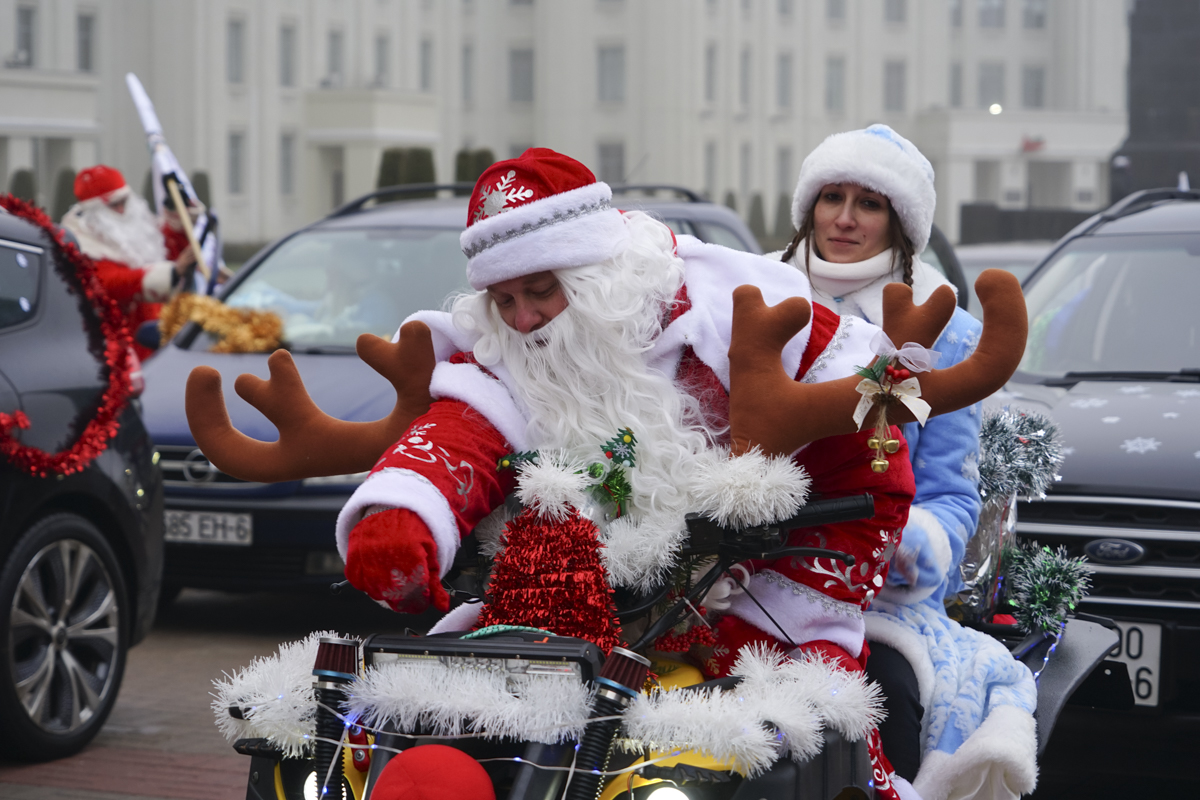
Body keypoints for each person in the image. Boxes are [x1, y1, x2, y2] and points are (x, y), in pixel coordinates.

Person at [776, 125, 1038, 800]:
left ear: (900, 221)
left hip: (876, 596)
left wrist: (904, 543)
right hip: (745, 574)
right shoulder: (762, 302)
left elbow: (953, 497)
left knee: (886, 691)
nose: (843, 217)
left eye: (868, 203)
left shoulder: (946, 332)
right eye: (831, 196)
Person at [60, 165, 196, 359]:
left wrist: (178, 217)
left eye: (124, 201)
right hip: (120, 344)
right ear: (94, 210)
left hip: (155, 332)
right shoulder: (82, 241)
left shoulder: (139, 224)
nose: (123, 210)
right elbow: (108, 282)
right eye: (114, 205)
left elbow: (166, 249)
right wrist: (171, 273)